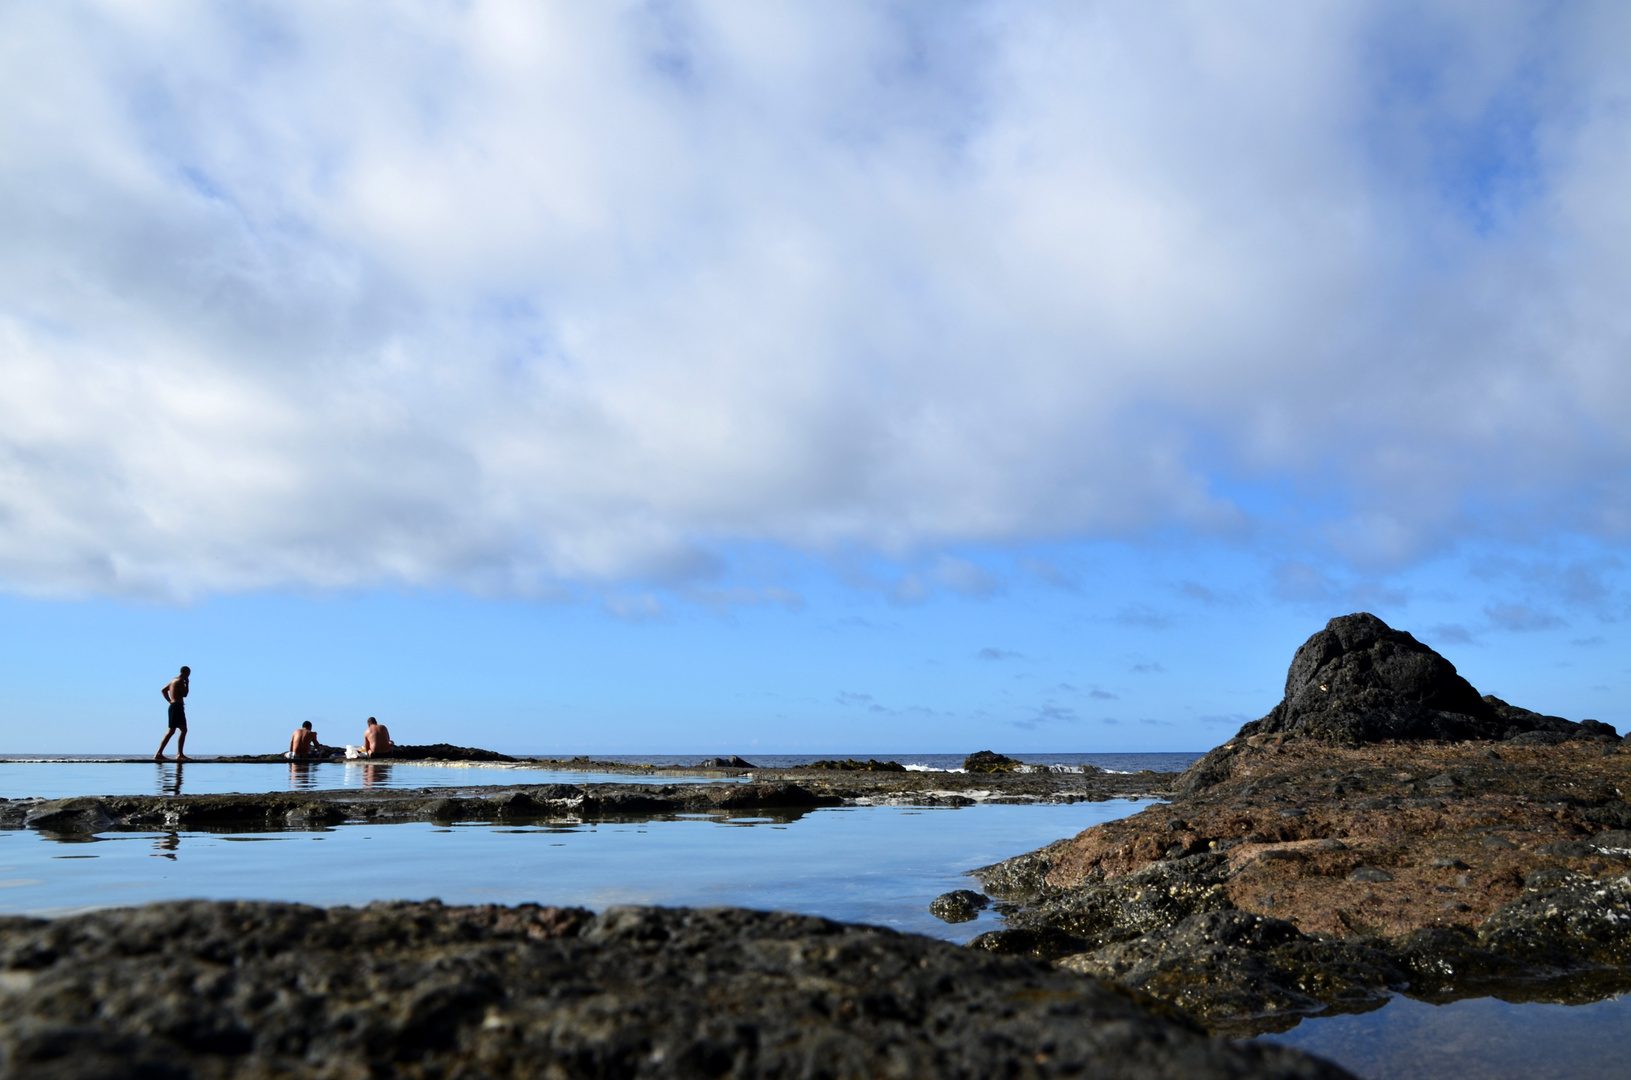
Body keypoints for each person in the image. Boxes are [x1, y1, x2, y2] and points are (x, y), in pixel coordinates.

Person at [155, 666, 191, 761]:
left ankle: (159, 753)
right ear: (186, 673)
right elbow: (185, 694)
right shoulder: (180, 681)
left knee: (171, 731)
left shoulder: (173, 680)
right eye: (188, 674)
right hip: (177, 707)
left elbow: (163, 690)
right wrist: (187, 684)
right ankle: (179, 754)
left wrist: (170, 701)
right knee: (183, 730)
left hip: (173, 706)